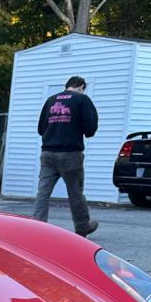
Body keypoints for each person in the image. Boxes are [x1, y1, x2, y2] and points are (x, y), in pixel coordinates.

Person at [33, 76, 99, 236]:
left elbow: (41, 128)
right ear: (81, 86)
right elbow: (90, 128)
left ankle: (36, 226)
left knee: (43, 192)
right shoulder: (82, 100)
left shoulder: (50, 100)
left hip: (47, 153)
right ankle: (82, 225)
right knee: (75, 192)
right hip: (70, 154)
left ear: (67, 86)